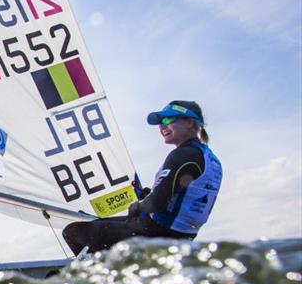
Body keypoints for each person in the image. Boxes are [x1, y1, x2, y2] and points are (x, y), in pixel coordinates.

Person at [62, 100, 223, 256]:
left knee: (74, 232)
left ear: (190, 122)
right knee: (97, 224)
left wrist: (138, 206)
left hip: (157, 232)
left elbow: (156, 203)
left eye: (167, 119)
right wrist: (149, 195)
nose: (162, 126)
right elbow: (181, 195)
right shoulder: (209, 157)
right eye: (160, 122)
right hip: (182, 235)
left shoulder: (184, 154)